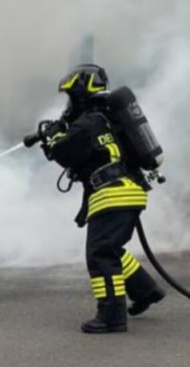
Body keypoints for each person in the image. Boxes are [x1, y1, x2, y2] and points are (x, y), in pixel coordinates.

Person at [38, 64, 166, 334]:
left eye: (70, 96)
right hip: (129, 192)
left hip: (111, 195)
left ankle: (111, 316)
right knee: (111, 249)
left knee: (99, 255)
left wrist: (51, 137)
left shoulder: (89, 122)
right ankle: (145, 290)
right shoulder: (107, 119)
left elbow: (62, 151)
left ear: (81, 93)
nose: (68, 104)